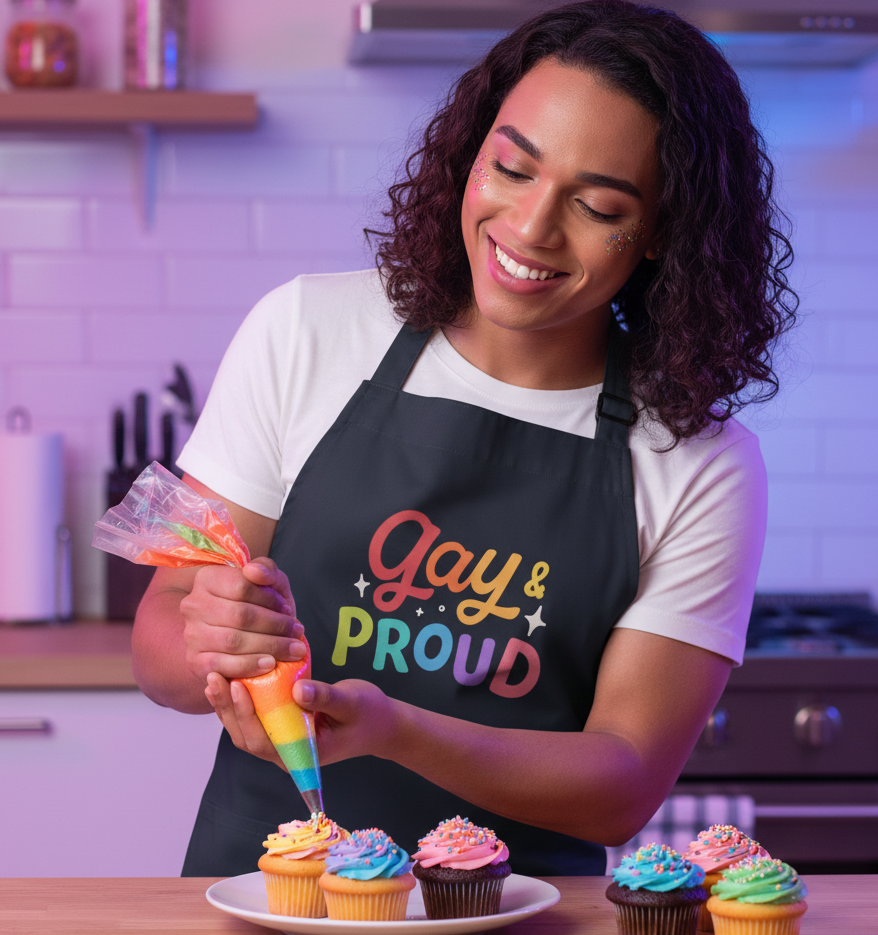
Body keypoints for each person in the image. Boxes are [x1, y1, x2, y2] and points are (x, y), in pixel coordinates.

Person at [133, 0, 796, 878]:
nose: (529, 227)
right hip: (268, 894)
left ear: (661, 232)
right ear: (470, 153)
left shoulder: (701, 460)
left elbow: (624, 782)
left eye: (596, 205)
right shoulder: (305, 330)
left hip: (521, 913)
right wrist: (211, 642)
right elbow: (159, 641)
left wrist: (396, 729)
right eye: (511, 168)